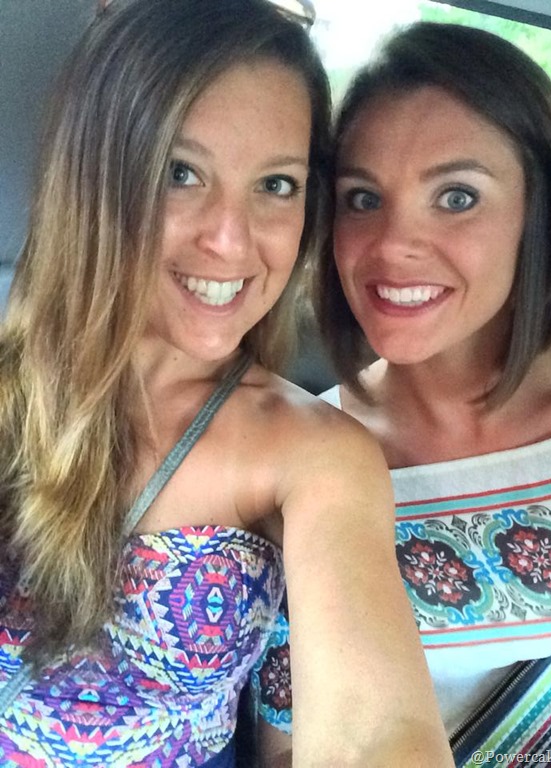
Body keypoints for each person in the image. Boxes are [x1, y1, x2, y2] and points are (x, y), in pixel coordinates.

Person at [0, 1, 453, 766]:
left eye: (275, 184)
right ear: (97, 177)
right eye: (182, 174)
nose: (230, 239)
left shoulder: (315, 455)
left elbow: (376, 734)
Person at [253, 19, 551, 754]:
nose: (394, 245)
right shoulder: (305, 464)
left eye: (457, 197)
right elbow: (292, 744)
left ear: (539, 211)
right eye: (363, 199)